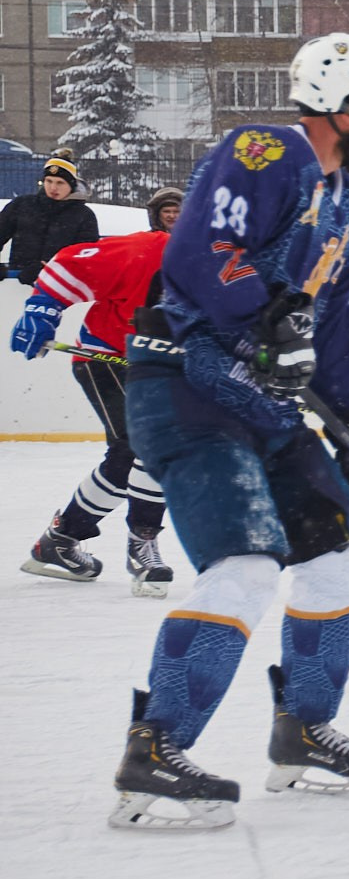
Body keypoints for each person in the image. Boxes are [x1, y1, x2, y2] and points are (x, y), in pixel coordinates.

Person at [108, 33, 349, 831]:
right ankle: (156, 744)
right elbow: (201, 251)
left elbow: (331, 317)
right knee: (246, 564)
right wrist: (266, 321)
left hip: (267, 403)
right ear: (345, 108)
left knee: (340, 555)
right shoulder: (261, 150)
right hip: (186, 386)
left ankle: (304, 731)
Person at [13, 186, 185, 593]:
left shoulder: (234, 267)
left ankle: (59, 540)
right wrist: (42, 309)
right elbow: (70, 264)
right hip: (106, 356)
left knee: (126, 457)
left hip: (159, 364)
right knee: (151, 443)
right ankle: (142, 545)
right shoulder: (146, 250)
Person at [1, 152, 101, 287]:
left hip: (61, 289)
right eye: (49, 181)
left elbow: (86, 256)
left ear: (71, 185)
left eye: (60, 182)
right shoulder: (21, 205)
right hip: (16, 286)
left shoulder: (84, 216)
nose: (53, 188)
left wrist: (49, 268)